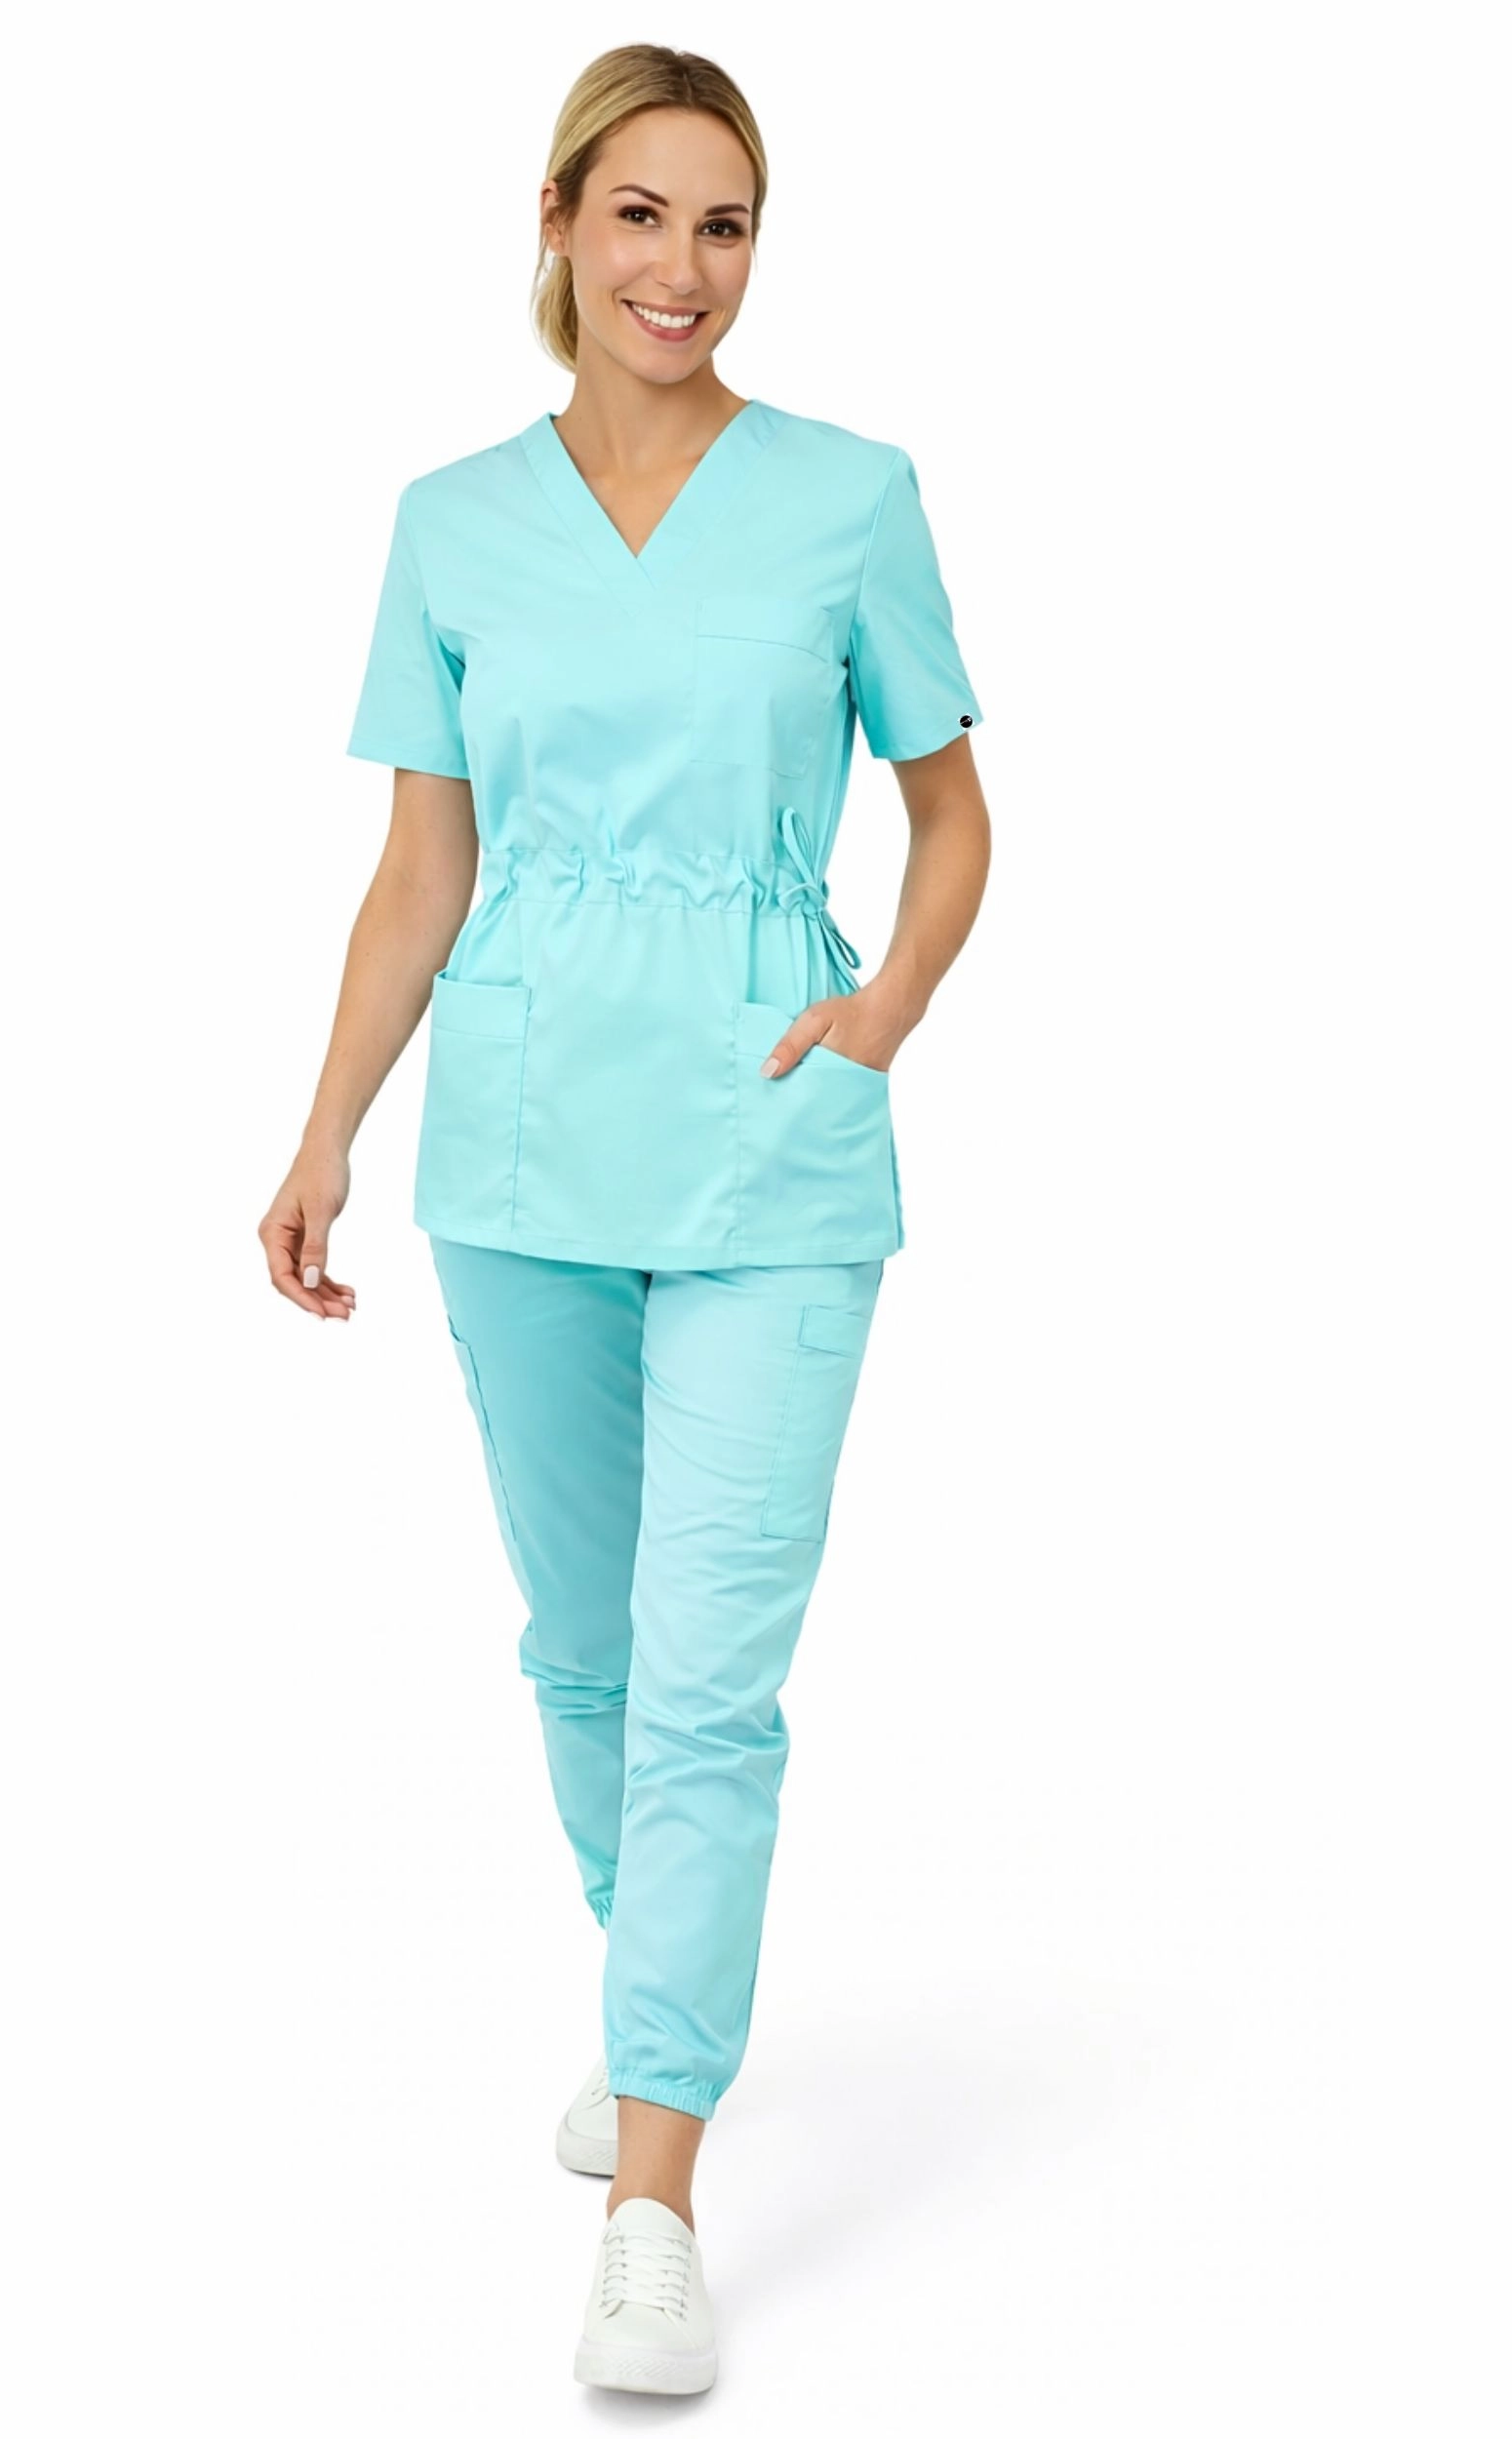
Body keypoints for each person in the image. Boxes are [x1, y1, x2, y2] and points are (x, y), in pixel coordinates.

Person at [258, 42, 991, 2397]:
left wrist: (874, 1020)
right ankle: (650, 1985)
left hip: (772, 1147)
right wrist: (323, 1126)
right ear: (562, 226)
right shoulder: (450, 522)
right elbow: (419, 867)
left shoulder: (849, 497)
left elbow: (954, 816)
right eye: (644, 215)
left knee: (703, 1679)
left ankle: (652, 2187)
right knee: (582, 1654)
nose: (685, 267)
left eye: (727, 223)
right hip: (521, 1148)